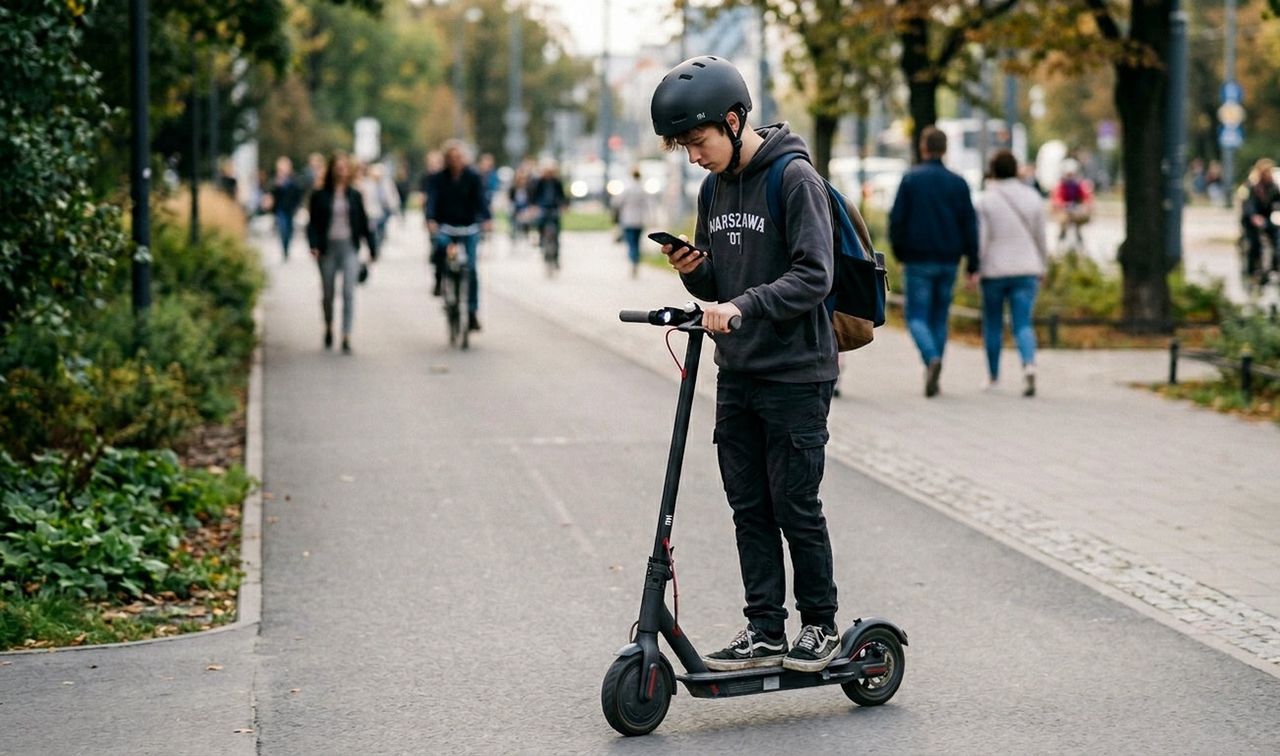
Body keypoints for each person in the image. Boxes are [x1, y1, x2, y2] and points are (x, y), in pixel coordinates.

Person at [652, 55, 842, 673]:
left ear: (733, 121)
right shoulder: (714, 189)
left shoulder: (793, 180)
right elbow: (721, 285)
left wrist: (741, 305)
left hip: (796, 373)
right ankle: (764, 628)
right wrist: (696, 273)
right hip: (738, 373)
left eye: (698, 141)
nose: (693, 157)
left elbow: (815, 275)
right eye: (683, 147)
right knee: (748, 506)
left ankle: (820, 625)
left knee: (795, 505)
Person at [889, 126, 979, 398]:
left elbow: (897, 221)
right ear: (945, 149)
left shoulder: (911, 180)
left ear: (923, 148)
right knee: (940, 317)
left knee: (916, 315)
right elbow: (970, 225)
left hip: (917, 259)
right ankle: (935, 365)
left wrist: (900, 253)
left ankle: (930, 358)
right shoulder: (958, 183)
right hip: (949, 260)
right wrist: (973, 264)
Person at [974, 150, 1048, 397]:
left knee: (993, 324)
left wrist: (974, 270)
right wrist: (1043, 266)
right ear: (1016, 170)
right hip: (1027, 268)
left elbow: (981, 241)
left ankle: (993, 377)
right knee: (1023, 323)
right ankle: (1029, 365)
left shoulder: (986, 200)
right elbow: (1041, 238)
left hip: (994, 271)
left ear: (993, 171)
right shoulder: (1032, 197)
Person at [306, 152, 378, 354]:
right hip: (328, 248)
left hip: (349, 247)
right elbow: (312, 224)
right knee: (328, 293)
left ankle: (346, 334)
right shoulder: (320, 195)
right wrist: (313, 245)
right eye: (338, 167)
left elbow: (364, 223)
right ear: (332, 169)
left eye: (345, 167)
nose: (341, 170)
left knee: (348, 291)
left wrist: (372, 248)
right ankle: (329, 326)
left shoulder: (355, 195)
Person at [425, 140, 490, 332]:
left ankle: (471, 311)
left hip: (468, 226)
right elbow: (432, 200)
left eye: (458, 157)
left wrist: (486, 218)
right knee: (440, 247)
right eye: (451, 158)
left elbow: (481, 200)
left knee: (470, 268)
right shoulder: (438, 178)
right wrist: (431, 219)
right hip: (446, 225)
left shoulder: (473, 177)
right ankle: (439, 278)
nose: (455, 161)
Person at [1241, 158, 1280, 284]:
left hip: (1269, 219)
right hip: (1252, 221)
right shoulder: (1252, 186)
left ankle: (1275, 266)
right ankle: (1253, 270)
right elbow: (1248, 204)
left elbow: (1277, 201)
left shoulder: (1273, 186)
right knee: (1254, 243)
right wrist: (1254, 216)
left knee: (1277, 239)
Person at [613, 166, 651, 277]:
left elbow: (617, 203)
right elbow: (648, 205)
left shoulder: (627, 189)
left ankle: (633, 259)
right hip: (639, 220)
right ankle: (636, 259)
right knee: (637, 242)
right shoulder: (643, 189)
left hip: (628, 220)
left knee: (630, 243)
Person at [530, 160, 568, 268]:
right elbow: (534, 196)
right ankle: (542, 243)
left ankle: (556, 257)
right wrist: (534, 206)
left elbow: (562, 196)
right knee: (541, 224)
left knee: (556, 231)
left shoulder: (556, 182)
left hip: (554, 207)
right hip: (542, 207)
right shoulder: (539, 182)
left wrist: (563, 205)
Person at [1050, 158, 1094, 251]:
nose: (1070, 176)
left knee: (1077, 227)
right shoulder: (1060, 185)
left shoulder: (1080, 184)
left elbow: (1087, 198)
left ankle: (1080, 245)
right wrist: (1063, 205)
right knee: (1063, 224)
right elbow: (1056, 199)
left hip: (1076, 211)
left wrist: (1085, 206)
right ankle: (1060, 243)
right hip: (1065, 211)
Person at [268, 157, 304, 261]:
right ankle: (284, 249)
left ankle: (287, 247)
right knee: (283, 228)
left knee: (290, 230)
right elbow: (272, 193)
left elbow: (298, 193)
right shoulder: (276, 180)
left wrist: (297, 207)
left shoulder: (294, 180)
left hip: (291, 209)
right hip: (280, 209)